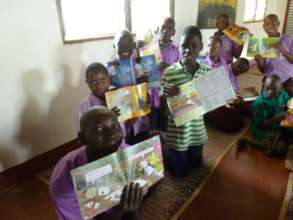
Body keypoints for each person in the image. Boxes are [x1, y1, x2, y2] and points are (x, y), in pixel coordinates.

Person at [51, 106, 144, 220]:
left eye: (115, 126)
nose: (111, 134)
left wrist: (133, 203)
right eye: (99, 129)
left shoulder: (125, 151)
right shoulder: (64, 183)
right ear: (82, 138)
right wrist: (119, 211)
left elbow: (142, 180)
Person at [161, 25, 209, 177]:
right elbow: (163, 110)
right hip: (177, 135)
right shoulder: (169, 73)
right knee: (179, 172)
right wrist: (164, 95)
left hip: (197, 133)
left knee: (196, 166)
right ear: (179, 47)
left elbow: (210, 102)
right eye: (184, 46)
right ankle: (168, 156)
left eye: (193, 46)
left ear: (201, 47)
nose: (188, 50)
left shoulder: (206, 71)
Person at [239, 75, 292, 157]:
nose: (270, 92)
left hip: (280, 121)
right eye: (267, 88)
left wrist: (287, 112)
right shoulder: (260, 103)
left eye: (274, 89)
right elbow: (261, 125)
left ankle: (283, 137)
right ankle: (249, 142)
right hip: (265, 128)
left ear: (281, 88)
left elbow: (288, 105)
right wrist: (276, 118)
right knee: (281, 150)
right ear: (263, 86)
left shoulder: (283, 94)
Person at [112, 30, 150, 145]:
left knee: (142, 147)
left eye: (129, 44)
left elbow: (149, 93)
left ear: (134, 46)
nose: (125, 48)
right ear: (114, 46)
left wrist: (146, 89)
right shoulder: (110, 70)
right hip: (121, 122)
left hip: (140, 119)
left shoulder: (141, 65)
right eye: (120, 44)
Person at [149, 17, 180, 133]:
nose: (166, 31)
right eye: (163, 27)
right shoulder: (151, 49)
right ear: (158, 29)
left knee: (165, 126)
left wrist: (167, 67)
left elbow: (180, 71)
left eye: (170, 28)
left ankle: (164, 148)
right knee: (152, 126)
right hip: (152, 94)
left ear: (174, 32)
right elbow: (143, 70)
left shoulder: (176, 50)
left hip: (166, 94)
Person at [205, 58, 250, 133]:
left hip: (227, 100)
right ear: (236, 64)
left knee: (248, 106)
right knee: (234, 125)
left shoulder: (234, 75)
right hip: (213, 104)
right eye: (240, 69)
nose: (240, 73)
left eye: (243, 72)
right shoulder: (223, 69)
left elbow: (234, 92)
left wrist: (235, 98)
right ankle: (206, 118)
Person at [255, 14, 293, 83]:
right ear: (264, 27)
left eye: (274, 24)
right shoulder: (261, 45)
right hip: (270, 80)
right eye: (267, 24)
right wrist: (259, 62)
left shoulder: (290, 40)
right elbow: (263, 70)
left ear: (278, 24)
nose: (270, 27)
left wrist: (283, 51)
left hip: (288, 80)